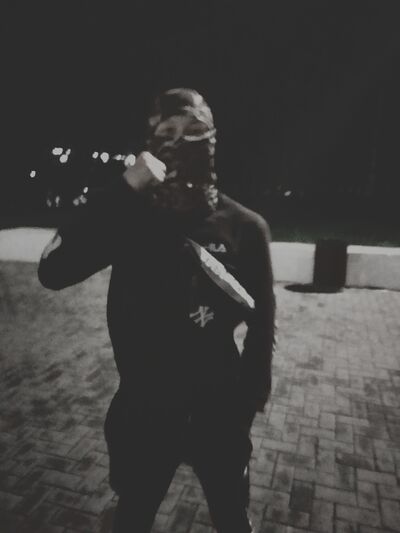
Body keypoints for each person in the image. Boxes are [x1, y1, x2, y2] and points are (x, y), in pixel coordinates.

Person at [38, 88, 276, 533]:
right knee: (133, 515)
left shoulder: (244, 227)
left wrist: (244, 407)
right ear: (149, 144)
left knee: (231, 516)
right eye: (168, 132)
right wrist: (123, 189)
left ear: (213, 138)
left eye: (194, 130)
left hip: (219, 411)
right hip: (144, 410)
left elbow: (263, 326)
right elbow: (54, 270)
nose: (181, 141)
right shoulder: (129, 219)